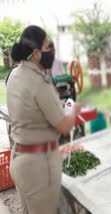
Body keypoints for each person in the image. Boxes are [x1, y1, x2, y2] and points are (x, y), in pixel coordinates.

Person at [7, 25, 82, 214]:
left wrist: (59, 109)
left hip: (18, 160)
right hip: (36, 170)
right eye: (48, 47)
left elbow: (34, 112)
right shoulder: (39, 82)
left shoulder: (15, 74)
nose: (51, 52)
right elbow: (64, 126)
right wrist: (73, 109)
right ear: (36, 53)